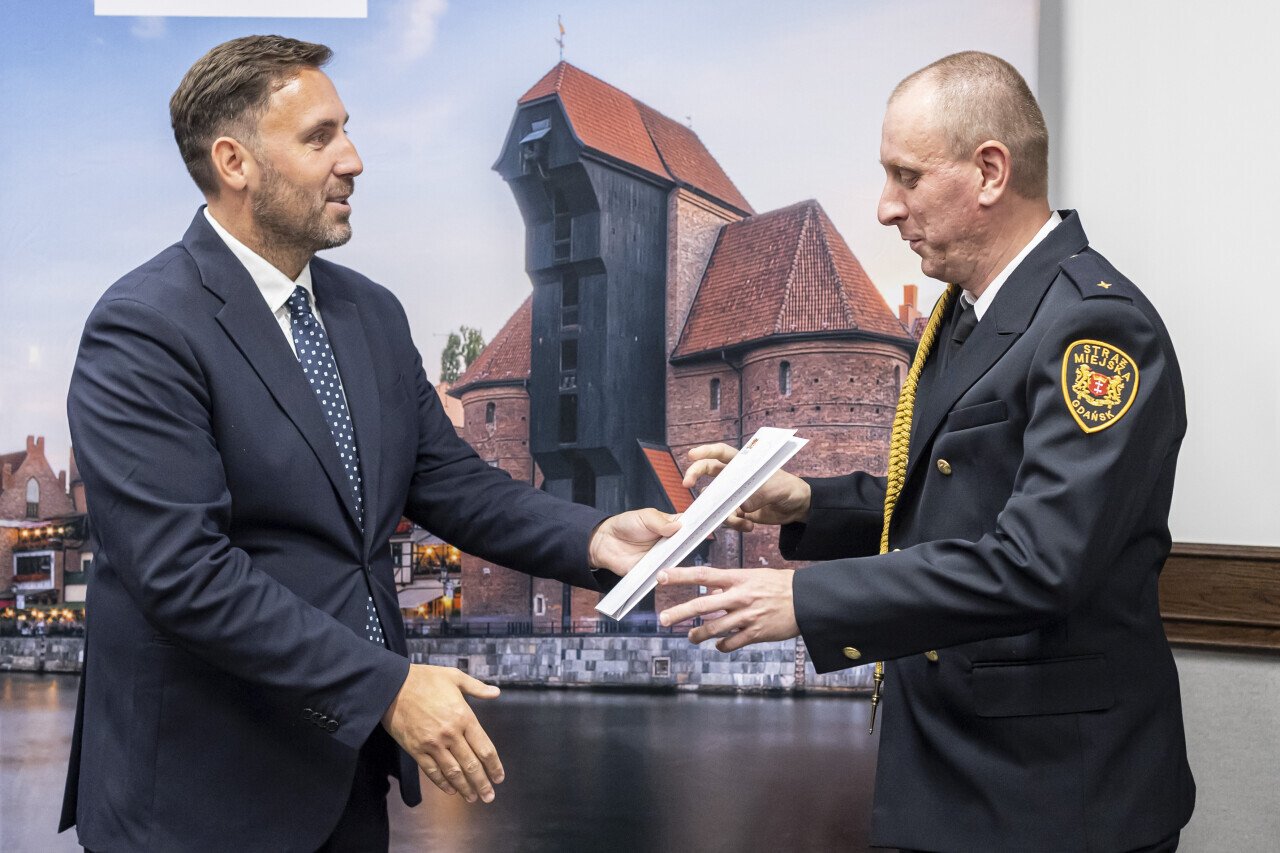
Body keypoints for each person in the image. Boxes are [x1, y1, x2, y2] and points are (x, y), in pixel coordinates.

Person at [59, 35, 677, 853]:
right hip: (194, 798)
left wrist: (595, 536)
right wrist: (386, 688)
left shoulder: (372, 314)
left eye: (346, 129)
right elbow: (183, 571)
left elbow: (452, 482)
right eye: (320, 137)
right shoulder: (142, 327)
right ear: (235, 162)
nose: (353, 159)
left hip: (346, 776)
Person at [657, 51, 1194, 852]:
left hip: (1054, 798)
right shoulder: (967, 315)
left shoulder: (1096, 328)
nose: (885, 208)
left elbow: (1037, 562)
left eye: (906, 176)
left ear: (989, 172)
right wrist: (806, 501)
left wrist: (809, 600)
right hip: (961, 775)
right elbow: (952, 502)